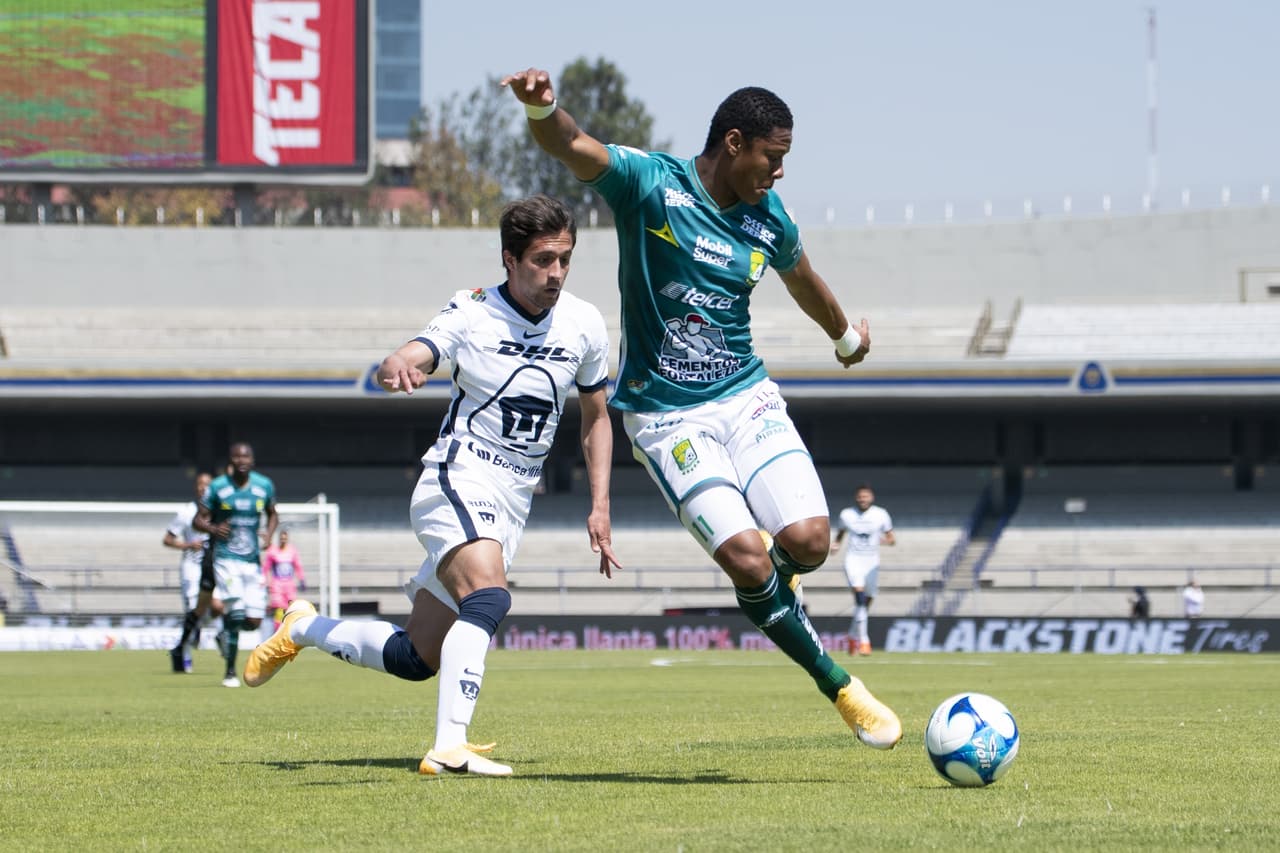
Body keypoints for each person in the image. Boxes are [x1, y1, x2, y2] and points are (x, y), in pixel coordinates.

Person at [500, 68, 901, 749]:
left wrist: (845, 338)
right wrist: (545, 110)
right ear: (735, 143)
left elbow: (804, 280)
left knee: (807, 542)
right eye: (772, 160)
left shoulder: (768, 217)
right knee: (749, 559)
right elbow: (576, 148)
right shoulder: (651, 185)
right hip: (666, 417)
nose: (777, 174)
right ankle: (840, 684)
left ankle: (782, 591)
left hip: (745, 397)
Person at [245, 195, 620, 777]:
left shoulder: (586, 323)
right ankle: (449, 746)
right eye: (543, 260)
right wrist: (401, 360)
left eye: (565, 259)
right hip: (457, 475)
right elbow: (423, 347)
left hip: (514, 499)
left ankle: (304, 627)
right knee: (489, 598)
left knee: (417, 657)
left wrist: (599, 504)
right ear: (509, 258)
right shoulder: (472, 311)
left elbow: (597, 416)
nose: (556, 274)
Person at [194, 442, 278, 687]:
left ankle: (223, 635)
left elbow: (273, 513)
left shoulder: (264, 486)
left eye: (246, 456)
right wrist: (212, 528)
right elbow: (197, 519)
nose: (242, 460)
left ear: (252, 460)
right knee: (236, 613)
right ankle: (230, 672)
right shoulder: (218, 487)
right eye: (237, 456)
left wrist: (269, 535)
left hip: (252, 561)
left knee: (253, 621)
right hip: (226, 559)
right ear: (231, 460)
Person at [832, 484, 896, 655]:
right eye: (860, 496)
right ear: (856, 498)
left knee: (866, 602)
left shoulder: (880, 514)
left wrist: (885, 541)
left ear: (871, 497)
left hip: (872, 561)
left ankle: (853, 636)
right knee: (859, 597)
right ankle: (864, 641)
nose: (863, 499)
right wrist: (836, 545)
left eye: (866, 496)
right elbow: (840, 534)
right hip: (853, 560)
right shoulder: (847, 514)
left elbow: (892, 538)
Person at [163, 471, 212, 673]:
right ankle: (185, 656)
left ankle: (202, 634)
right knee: (192, 609)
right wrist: (187, 545)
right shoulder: (186, 512)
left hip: (214, 566)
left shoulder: (220, 511)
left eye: (207, 484)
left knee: (216, 608)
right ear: (195, 487)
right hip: (191, 568)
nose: (203, 488)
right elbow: (167, 539)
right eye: (200, 484)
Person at [262, 528, 306, 630]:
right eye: (281, 538)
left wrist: (302, 579)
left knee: (290, 608)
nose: (283, 540)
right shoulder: (273, 551)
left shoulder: (292, 550)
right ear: (279, 539)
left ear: (287, 539)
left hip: (289, 584)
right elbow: (266, 567)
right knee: (279, 608)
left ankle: (289, 631)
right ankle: (278, 631)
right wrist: (263, 581)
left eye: (285, 538)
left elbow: (298, 565)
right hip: (277, 584)